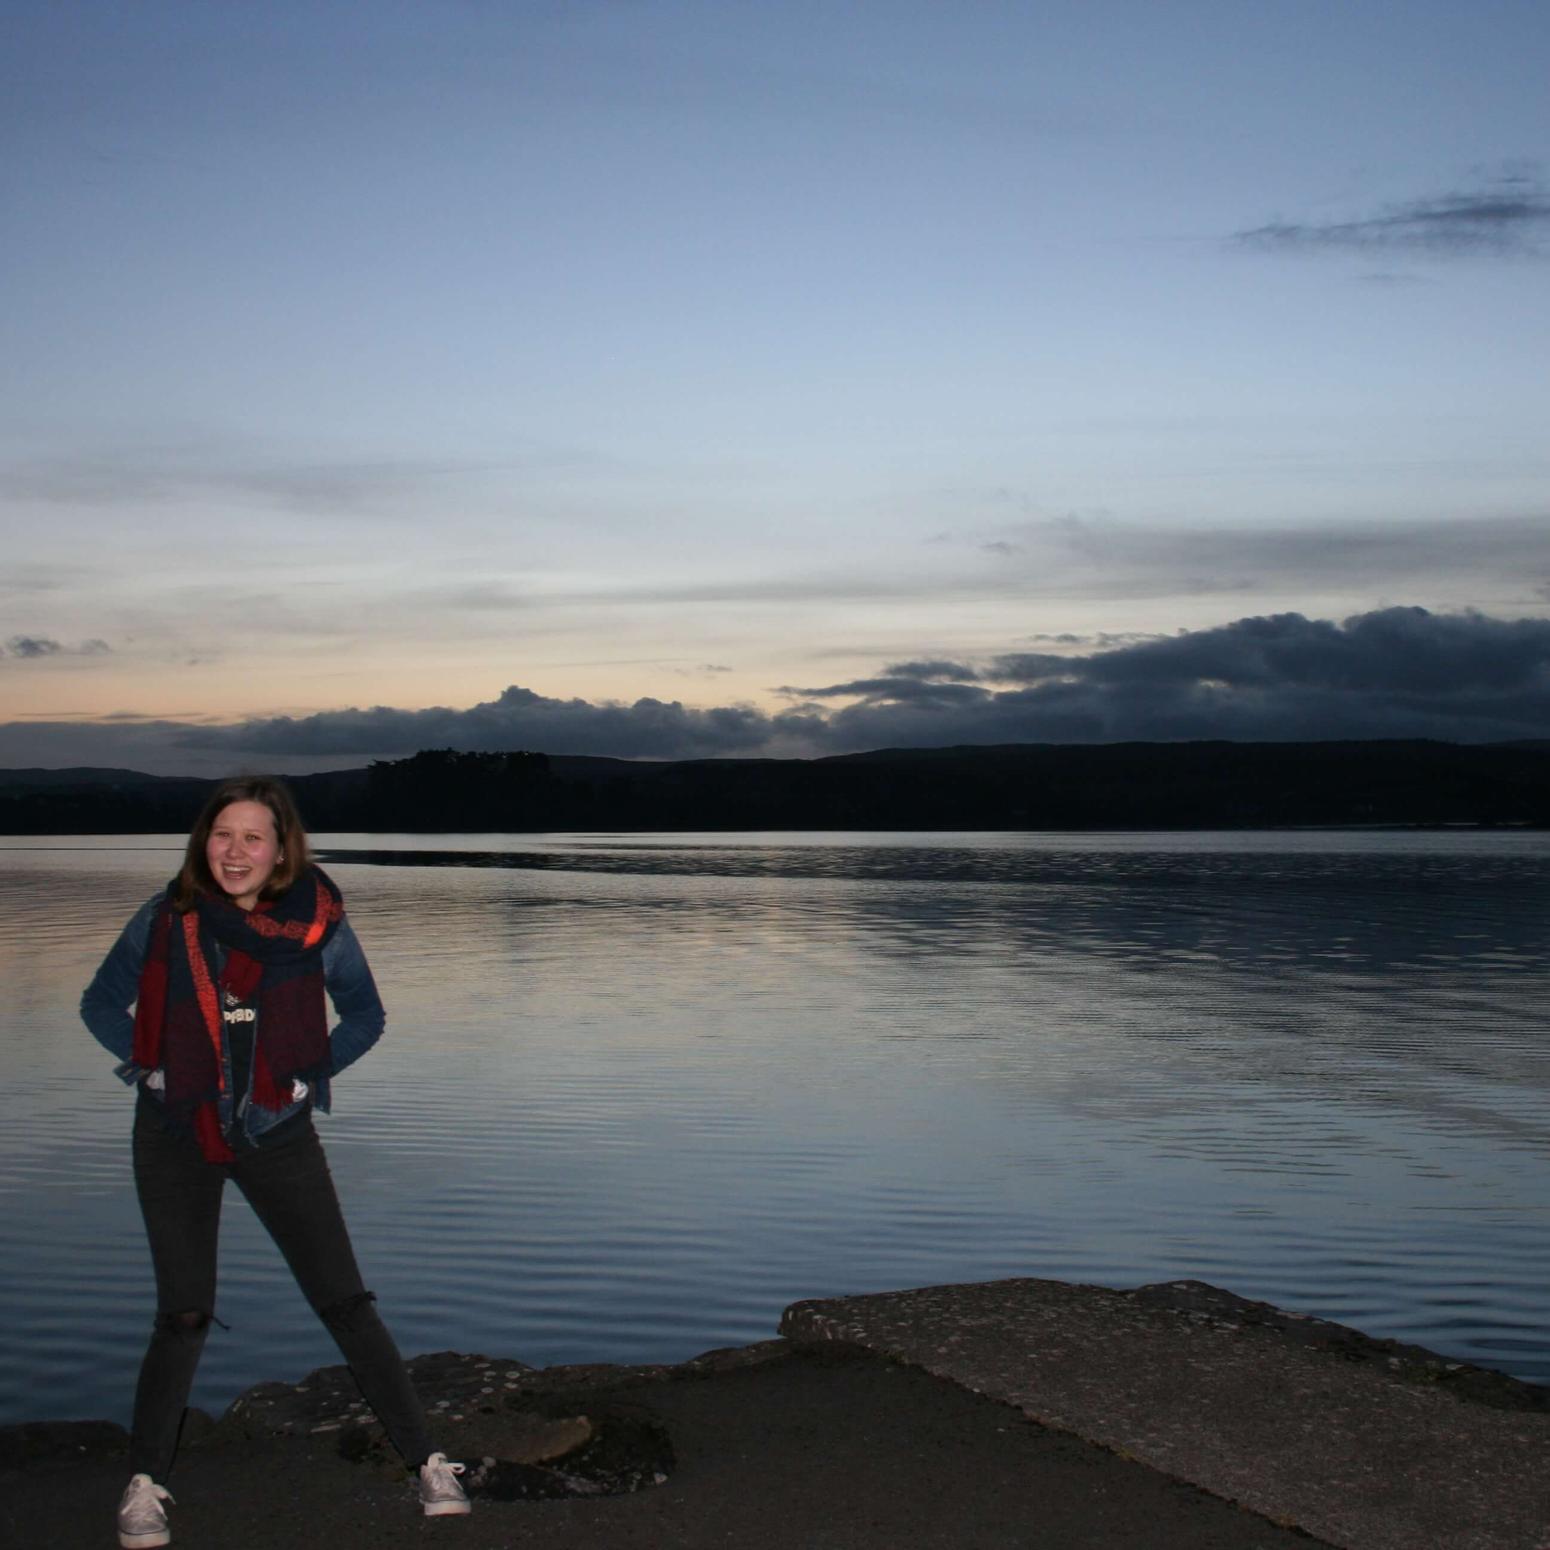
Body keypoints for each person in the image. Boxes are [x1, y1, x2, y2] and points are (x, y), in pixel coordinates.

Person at [81, 775, 469, 1548]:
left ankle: (428, 1461)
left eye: (252, 837)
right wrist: (152, 1069)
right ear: (204, 841)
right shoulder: (166, 917)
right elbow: (100, 1003)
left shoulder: (317, 925)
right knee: (183, 1314)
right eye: (222, 835)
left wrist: (303, 1077)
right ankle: (145, 1484)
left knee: (346, 1302)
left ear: (281, 848)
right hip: (175, 1132)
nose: (234, 852)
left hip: (277, 1133)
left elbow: (365, 1015)